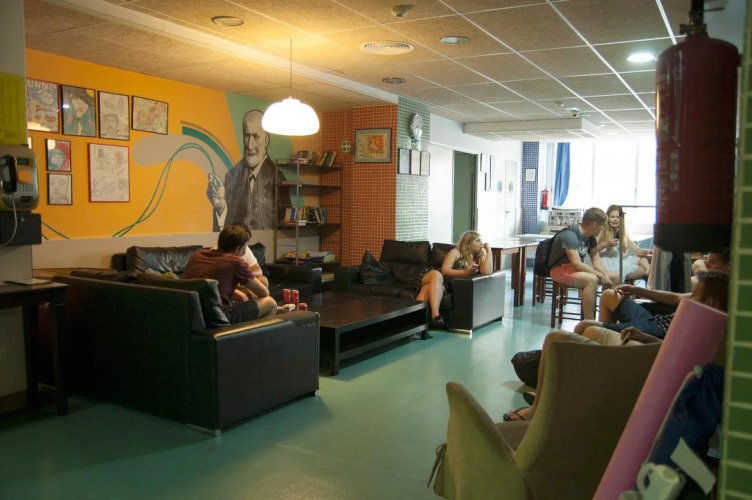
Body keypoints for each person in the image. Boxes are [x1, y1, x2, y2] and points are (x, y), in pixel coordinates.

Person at [503, 271, 729, 422]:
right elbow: (674, 343)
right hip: (649, 333)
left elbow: (673, 353)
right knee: (600, 309)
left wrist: (645, 338)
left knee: (563, 335)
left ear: (710, 302)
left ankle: (539, 407)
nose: (688, 300)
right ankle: (553, 392)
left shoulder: (703, 329)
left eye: (694, 296)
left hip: (643, 347)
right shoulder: (708, 322)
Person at [206, 110, 290, 231]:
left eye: (256, 136)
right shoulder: (231, 177)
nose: (250, 145)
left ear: (266, 140)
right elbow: (223, 235)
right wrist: (221, 208)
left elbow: (287, 228)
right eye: (247, 135)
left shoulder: (278, 179)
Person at [182, 224, 281, 323]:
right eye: (244, 249)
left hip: (189, 316)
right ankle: (253, 332)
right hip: (219, 318)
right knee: (270, 303)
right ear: (237, 249)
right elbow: (264, 292)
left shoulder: (196, 255)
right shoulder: (236, 262)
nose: (244, 252)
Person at [548, 207, 612, 320]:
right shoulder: (570, 235)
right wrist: (600, 275)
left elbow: (596, 259)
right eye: (602, 226)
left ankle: (608, 319)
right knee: (592, 279)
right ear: (595, 225)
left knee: (613, 276)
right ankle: (589, 322)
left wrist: (606, 276)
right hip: (560, 269)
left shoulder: (591, 238)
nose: (602, 229)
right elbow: (576, 263)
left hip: (575, 268)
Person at [595, 205, 652, 284]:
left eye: (618, 217)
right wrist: (605, 244)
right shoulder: (602, 231)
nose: (615, 219)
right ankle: (648, 273)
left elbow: (637, 250)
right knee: (643, 268)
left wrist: (649, 251)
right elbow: (592, 249)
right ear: (607, 218)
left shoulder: (621, 233)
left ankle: (648, 270)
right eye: (612, 217)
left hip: (619, 262)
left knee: (642, 258)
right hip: (608, 265)